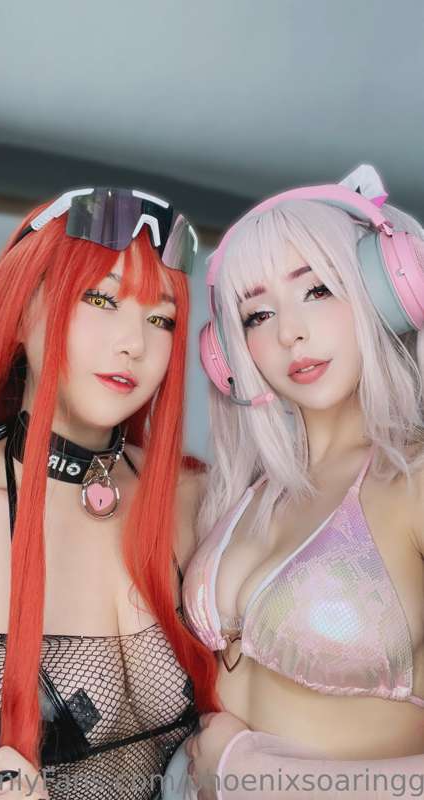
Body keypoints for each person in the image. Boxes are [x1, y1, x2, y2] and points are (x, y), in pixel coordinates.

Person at [164, 165, 424, 799]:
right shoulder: (245, 494)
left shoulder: (415, 482)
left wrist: (246, 772)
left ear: (385, 293)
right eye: (256, 314)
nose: (289, 332)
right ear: (229, 353)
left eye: (318, 289)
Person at [0, 187, 219, 800]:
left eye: (161, 319)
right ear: (22, 311)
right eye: (100, 299)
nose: (134, 343)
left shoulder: (197, 499)